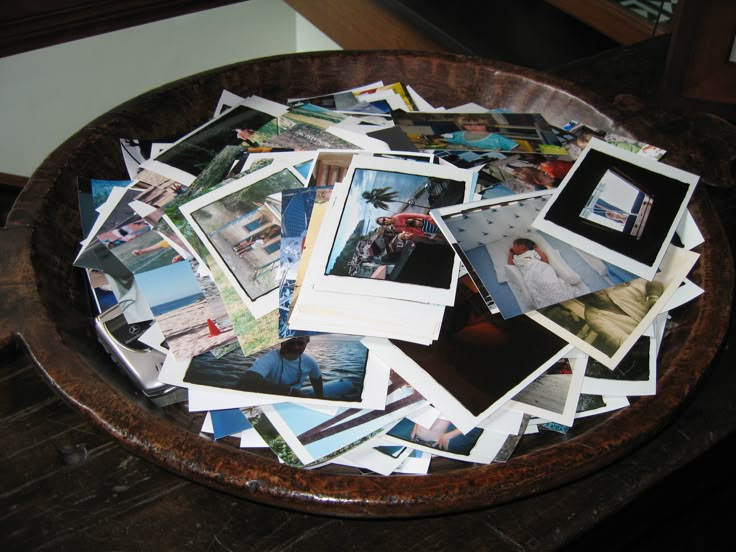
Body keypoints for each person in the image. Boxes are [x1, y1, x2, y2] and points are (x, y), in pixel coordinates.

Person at [582, 279, 664, 356]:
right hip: (650, 344)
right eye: (589, 295)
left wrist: (653, 299)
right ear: (582, 299)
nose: (595, 294)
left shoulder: (616, 288)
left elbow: (654, 283)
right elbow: (620, 341)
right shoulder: (593, 319)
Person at [240, 336, 323, 397]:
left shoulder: (310, 362)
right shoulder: (270, 358)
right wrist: (291, 392)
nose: (296, 347)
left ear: (306, 344)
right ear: (282, 343)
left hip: (294, 401)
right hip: (267, 399)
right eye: (291, 343)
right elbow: (246, 381)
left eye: (300, 343)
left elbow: (317, 382)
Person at [507, 238, 578, 309]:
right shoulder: (517, 257)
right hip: (530, 274)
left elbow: (544, 261)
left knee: (550, 283)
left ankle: (560, 295)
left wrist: (538, 250)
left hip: (541, 269)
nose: (512, 247)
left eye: (514, 245)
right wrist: (511, 254)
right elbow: (510, 264)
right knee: (538, 287)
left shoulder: (532, 252)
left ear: (522, 246)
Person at [440, 115, 519, 151]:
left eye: (478, 125)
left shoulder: (496, 138)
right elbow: (447, 137)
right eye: (468, 125)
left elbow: (515, 148)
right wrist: (439, 139)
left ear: (487, 126)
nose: (472, 127)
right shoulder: (461, 134)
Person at [375, 212, 442, 242]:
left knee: (442, 228)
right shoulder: (396, 227)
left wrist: (429, 218)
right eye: (383, 222)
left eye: (384, 219)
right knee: (442, 237)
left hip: (426, 223)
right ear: (384, 225)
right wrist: (423, 235)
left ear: (385, 217)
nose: (385, 221)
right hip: (424, 231)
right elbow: (411, 231)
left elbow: (416, 215)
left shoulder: (400, 216)